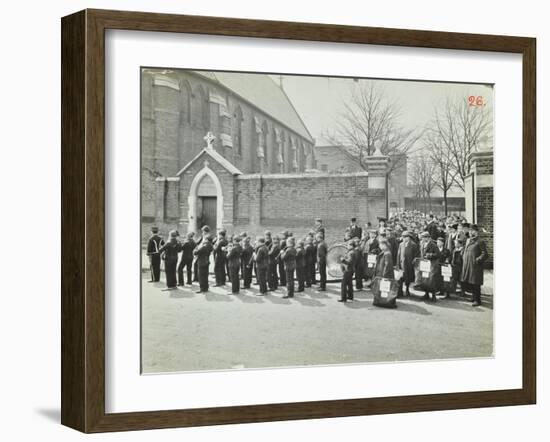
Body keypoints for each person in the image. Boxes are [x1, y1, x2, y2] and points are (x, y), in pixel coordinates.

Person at [460, 225, 488, 307]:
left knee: (476, 283)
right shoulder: (469, 240)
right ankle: (473, 297)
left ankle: (477, 300)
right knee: (471, 282)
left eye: (472, 231)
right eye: (470, 230)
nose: (470, 232)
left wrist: (478, 260)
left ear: (476, 232)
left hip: (475, 266)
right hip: (468, 264)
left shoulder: (479, 241)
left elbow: (485, 254)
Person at [396, 231, 420, 297]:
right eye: (403, 237)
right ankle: (400, 291)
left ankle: (407, 289)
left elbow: (416, 256)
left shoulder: (413, 245)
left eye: (405, 237)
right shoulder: (401, 244)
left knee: (408, 278)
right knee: (401, 278)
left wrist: (413, 263)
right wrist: (398, 264)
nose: (404, 238)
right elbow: (398, 254)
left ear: (409, 238)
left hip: (409, 264)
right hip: (402, 264)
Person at [419, 231, 441, 302]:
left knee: (432, 280)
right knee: (425, 279)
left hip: (432, 264)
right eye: (422, 237)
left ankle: (433, 295)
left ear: (428, 238)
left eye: (424, 237)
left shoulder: (433, 245)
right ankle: (426, 293)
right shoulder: (422, 244)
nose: (422, 239)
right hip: (425, 264)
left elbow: (438, 254)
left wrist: (430, 255)